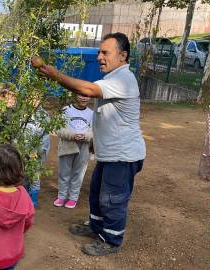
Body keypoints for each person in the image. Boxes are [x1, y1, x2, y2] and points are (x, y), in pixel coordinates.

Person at [34, 32, 146, 256]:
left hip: (122, 157)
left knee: (112, 200)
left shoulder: (124, 78)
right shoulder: (112, 79)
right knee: (96, 194)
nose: (99, 57)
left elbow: (86, 90)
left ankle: (111, 240)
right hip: (110, 154)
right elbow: (106, 114)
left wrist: (55, 75)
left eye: (105, 52)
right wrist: (96, 139)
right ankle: (96, 227)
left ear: (123, 55)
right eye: (99, 52)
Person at [54, 94, 93, 209]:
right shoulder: (66, 110)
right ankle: (62, 195)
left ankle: (73, 197)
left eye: (87, 95)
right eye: (81, 95)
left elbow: (95, 131)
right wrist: (72, 135)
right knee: (64, 171)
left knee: (78, 173)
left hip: (84, 146)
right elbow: (58, 129)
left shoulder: (92, 114)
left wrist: (86, 136)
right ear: (75, 95)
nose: (84, 98)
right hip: (67, 145)